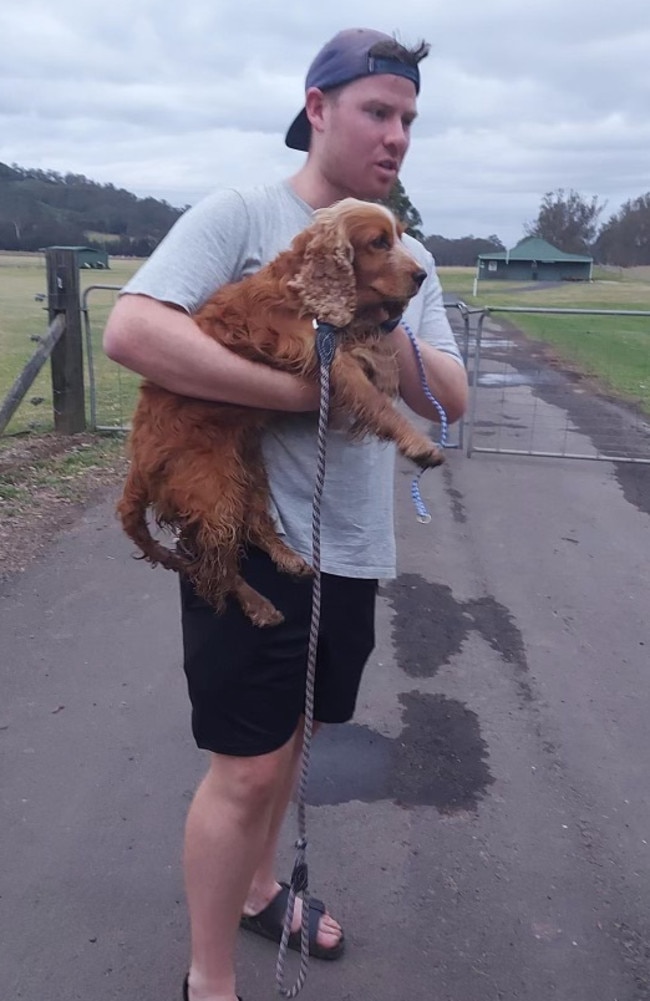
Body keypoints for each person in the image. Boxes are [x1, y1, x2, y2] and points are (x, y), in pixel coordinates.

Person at [103, 26, 468, 1001]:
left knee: (297, 735)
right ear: (317, 109)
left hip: (351, 545)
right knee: (246, 769)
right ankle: (208, 978)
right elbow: (130, 328)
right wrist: (299, 388)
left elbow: (446, 402)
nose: (395, 137)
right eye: (375, 112)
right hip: (251, 534)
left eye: (407, 120)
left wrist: (387, 330)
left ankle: (263, 887)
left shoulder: (404, 252)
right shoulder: (241, 213)